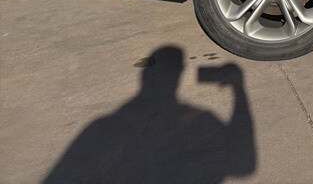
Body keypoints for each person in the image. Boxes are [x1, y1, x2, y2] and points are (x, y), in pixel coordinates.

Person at [44, 46, 256, 184]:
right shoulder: (204, 121)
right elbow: (244, 165)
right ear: (181, 72)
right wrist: (238, 89)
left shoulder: (100, 128)